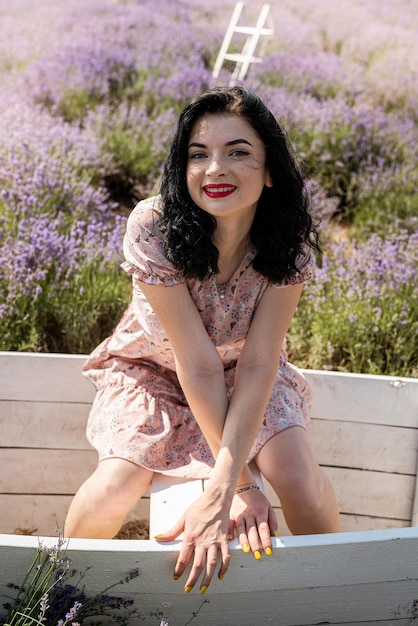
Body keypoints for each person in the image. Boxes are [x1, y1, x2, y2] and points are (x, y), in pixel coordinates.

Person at [64, 85, 340, 593]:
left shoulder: (288, 243)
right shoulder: (154, 226)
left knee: (298, 478)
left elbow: (260, 363)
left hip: (245, 377)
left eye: (238, 152)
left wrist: (230, 485)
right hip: (154, 373)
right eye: (199, 154)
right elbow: (196, 364)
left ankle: (335, 596)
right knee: (112, 489)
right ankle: (57, 595)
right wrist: (236, 485)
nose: (215, 169)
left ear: (270, 169)